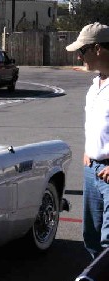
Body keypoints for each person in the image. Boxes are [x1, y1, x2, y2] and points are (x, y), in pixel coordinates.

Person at [66, 22, 109, 258]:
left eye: (82, 51)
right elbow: (92, 122)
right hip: (92, 169)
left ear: (98, 49)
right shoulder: (95, 84)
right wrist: (89, 149)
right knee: (91, 236)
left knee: (108, 240)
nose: (79, 57)